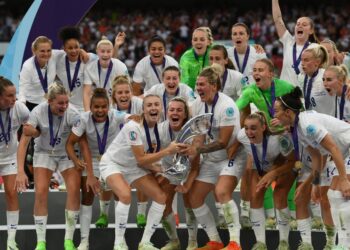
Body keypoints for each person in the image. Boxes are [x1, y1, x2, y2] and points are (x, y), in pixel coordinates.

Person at [99, 94, 185, 250]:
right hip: (113, 163)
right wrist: (167, 151)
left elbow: (146, 159)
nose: (153, 108)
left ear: (161, 109)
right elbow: (141, 158)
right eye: (149, 105)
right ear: (143, 109)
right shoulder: (133, 127)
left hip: (134, 167)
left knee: (161, 197)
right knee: (125, 195)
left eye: (156, 104)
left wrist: (161, 169)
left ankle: (145, 242)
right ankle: (119, 242)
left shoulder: (159, 129)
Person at [274, 87, 350, 249]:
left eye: (276, 111)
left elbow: (333, 148)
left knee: (339, 194)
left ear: (288, 112)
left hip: (346, 148)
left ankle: (345, 244)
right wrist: (314, 184)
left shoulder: (307, 125)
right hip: (342, 153)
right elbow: (318, 157)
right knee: (333, 195)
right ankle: (342, 244)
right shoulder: (298, 129)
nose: (275, 116)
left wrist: (344, 179)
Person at [15, 82, 81, 250]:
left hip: (66, 152)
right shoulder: (37, 111)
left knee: (74, 191)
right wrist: (20, 171)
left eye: (66, 102)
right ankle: (41, 242)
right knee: (41, 192)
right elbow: (24, 142)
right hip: (44, 152)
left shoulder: (73, 113)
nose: (64, 106)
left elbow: (84, 139)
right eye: (60, 103)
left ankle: (68, 240)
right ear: (50, 101)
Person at [182, 65, 240, 250]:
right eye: (197, 84)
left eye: (202, 84)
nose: (198, 88)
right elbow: (199, 137)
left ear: (214, 86)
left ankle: (235, 243)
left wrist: (197, 151)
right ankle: (214, 240)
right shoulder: (198, 104)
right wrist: (192, 150)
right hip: (212, 158)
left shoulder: (227, 106)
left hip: (232, 156)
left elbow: (223, 142)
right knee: (194, 197)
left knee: (222, 191)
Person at [66, 88, 127, 250]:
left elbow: (132, 118)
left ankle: (120, 241)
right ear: (91, 107)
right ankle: (84, 241)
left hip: (112, 160)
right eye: (96, 107)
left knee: (120, 195)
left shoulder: (116, 115)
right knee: (87, 198)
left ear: (109, 106)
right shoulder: (83, 119)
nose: (100, 110)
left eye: (103, 107)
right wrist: (76, 159)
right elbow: (70, 143)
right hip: (91, 161)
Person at [237, 112, 295, 250]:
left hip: (284, 165)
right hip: (261, 167)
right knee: (255, 195)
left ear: (263, 127)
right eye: (246, 128)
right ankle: (261, 243)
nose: (249, 132)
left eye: (253, 128)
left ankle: (283, 242)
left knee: (279, 196)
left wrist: (273, 173)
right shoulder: (242, 135)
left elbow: (292, 161)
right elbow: (236, 147)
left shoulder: (279, 139)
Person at [157, 97, 200, 250]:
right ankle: (174, 241)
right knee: (162, 203)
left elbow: (195, 166)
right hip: (169, 169)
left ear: (185, 115)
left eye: (179, 110)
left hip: (189, 170)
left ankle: (192, 242)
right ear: (167, 113)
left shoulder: (193, 133)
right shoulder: (160, 129)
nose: (175, 112)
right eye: (172, 110)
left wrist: (187, 184)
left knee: (189, 202)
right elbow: (152, 153)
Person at [0, 76, 30, 250]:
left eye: (15, 94)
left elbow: (32, 127)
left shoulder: (20, 108)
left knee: (11, 194)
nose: (14, 99)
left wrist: (33, 130)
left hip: (10, 157)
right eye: (9, 96)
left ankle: (11, 240)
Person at [272, 0, 318, 86]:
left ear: (311, 31)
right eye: (298, 24)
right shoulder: (288, 41)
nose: (300, 26)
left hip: (303, 96)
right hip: (284, 94)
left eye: (304, 25)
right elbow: (278, 19)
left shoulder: (314, 48)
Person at [83, 37, 129, 111]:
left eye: (108, 51)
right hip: (98, 105)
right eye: (102, 51)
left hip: (116, 104)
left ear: (112, 52)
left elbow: (127, 90)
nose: (105, 54)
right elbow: (87, 93)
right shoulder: (89, 68)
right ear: (97, 51)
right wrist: (87, 112)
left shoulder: (121, 66)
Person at [56, 26, 93, 112]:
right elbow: (41, 52)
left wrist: (116, 45)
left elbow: (109, 59)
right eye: (70, 48)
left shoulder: (88, 58)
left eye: (76, 47)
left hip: (84, 107)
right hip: (65, 108)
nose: (74, 51)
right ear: (64, 49)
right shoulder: (58, 58)